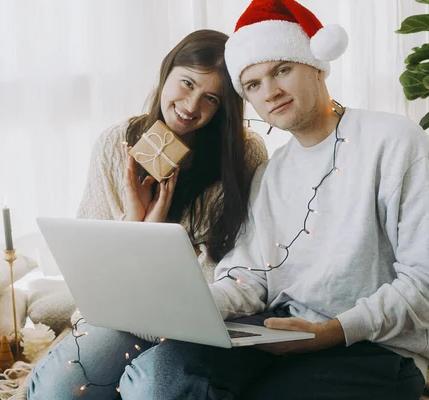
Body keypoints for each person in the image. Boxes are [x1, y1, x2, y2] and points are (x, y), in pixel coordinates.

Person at [111, 1, 429, 399]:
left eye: (282, 69)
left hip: (373, 345)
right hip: (276, 330)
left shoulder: (395, 142)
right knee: (159, 375)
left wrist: (332, 332)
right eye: (253, 84)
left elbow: (423, 280)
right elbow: (248, 276)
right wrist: (188, 306)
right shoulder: (270, 174)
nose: (271, 92)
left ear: (315, 64)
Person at [27, 29, 268, 399]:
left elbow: (243, 263)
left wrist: (161, 245)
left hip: (198, 319)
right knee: (60, 390)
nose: (191, 105)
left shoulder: (244, 155)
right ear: (167, 72)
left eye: (211, 99)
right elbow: (91, 263)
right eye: (186, 83)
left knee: (154, 388)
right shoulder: (115, 143)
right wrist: (137, 222)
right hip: (124, 314)